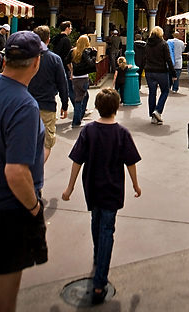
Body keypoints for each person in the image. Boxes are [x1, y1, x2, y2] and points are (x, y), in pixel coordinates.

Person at [0, 31, 48, 311]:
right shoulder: (24, 105)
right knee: (5, 301)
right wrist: (33, 207)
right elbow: (16, 172)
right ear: (35, 63)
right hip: (9, 209)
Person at [61, 89, 141, 304]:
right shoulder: (122, 133)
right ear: (116, 108)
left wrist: (69, 188)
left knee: (96, 223)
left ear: (97, 107)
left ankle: (99, 258)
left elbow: (77, 161)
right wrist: (135, 184)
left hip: (92, 188)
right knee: (107, 229)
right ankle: (100, 282)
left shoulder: (88, 131)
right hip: (112, 189)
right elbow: (130, 162)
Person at [27, 26, 70, 163]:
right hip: (47, 104)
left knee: (27, 138)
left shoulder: (26, 56)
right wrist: (65, 104)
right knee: (46, 142)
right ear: (48, 39)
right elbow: (62, 84)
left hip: (26, 103)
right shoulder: (54, 59)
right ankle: (37, 170)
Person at [144, 26, 176, 125]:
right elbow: (168, 60)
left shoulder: (147, 44)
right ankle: (158, 111)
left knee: (152, 93)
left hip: (149, 71)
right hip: (161, 71)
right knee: (165, 91)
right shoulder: (163, 44)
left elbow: (144, 57)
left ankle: (153, 116)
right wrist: (173, 73)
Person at [71, 35, 98, 128]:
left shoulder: (73, 51)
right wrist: (94, 54)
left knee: (83, 96)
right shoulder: (85, 52)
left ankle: (79, 118)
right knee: (80, 99)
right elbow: (90, 63)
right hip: (83, 77)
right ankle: (76, 121)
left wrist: (71, 70)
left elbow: (66, 60)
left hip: (75, 77)